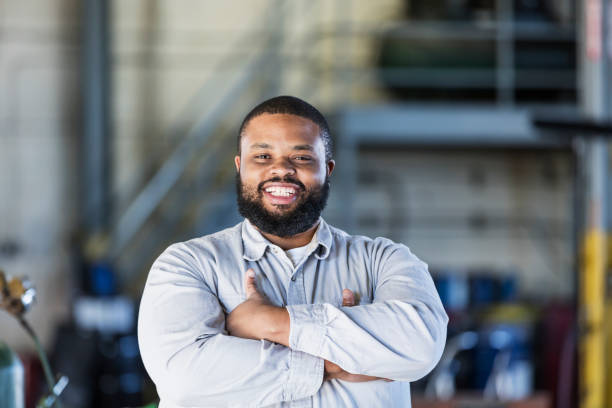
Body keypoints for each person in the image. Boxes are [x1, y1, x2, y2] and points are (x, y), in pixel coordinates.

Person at [138, 95, 448, 407]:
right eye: (262, 157)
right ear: (239, 166)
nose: (281, 170)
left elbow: (422, 345)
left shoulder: (385, 261)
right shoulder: (187, 265)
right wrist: (337, 360)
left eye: (301, 158)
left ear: (327, 169)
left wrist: (268, 323)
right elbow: (184, 379)